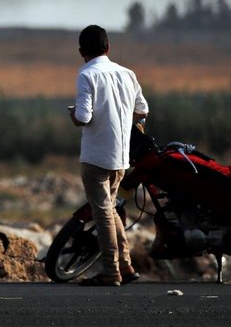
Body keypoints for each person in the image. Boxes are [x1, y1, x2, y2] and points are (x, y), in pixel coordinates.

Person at [68, 25, 149, 287]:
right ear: (108, 47)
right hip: (121, 157)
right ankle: (125, 266)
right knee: (110, 208)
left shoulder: (86, 75)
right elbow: (143, 110)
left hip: (95, 158)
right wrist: (122, 122)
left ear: (82, 52)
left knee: (102, 212)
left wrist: (74, 116)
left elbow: (83, 116)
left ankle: (111, 271)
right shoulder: (127, 73)